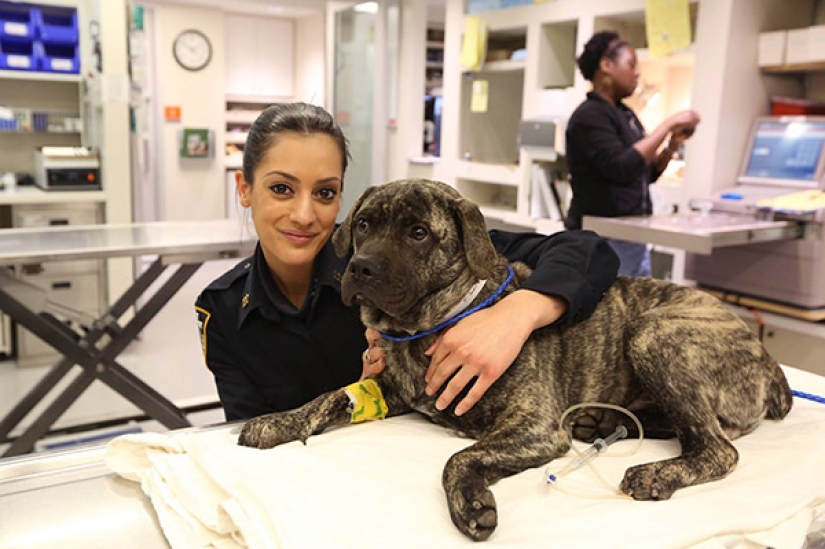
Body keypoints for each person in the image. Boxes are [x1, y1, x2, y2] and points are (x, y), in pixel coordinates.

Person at [195, 102, 620, 422]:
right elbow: (246, 433)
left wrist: (517, 314)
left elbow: (586, 250)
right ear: (245, 188)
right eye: (282, 189)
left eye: (325, 193)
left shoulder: (404, 255)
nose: (305, 215)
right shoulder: (224, 311)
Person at [565, 30, 700, 276]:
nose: (637, 73)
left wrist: (671, 144)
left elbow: (644, 173)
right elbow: (621, 167)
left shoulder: (625, 114)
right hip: (601, 240)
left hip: (630, 238)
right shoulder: (589, 116)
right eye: (630, 64)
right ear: (606, 65)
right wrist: (668, 124)